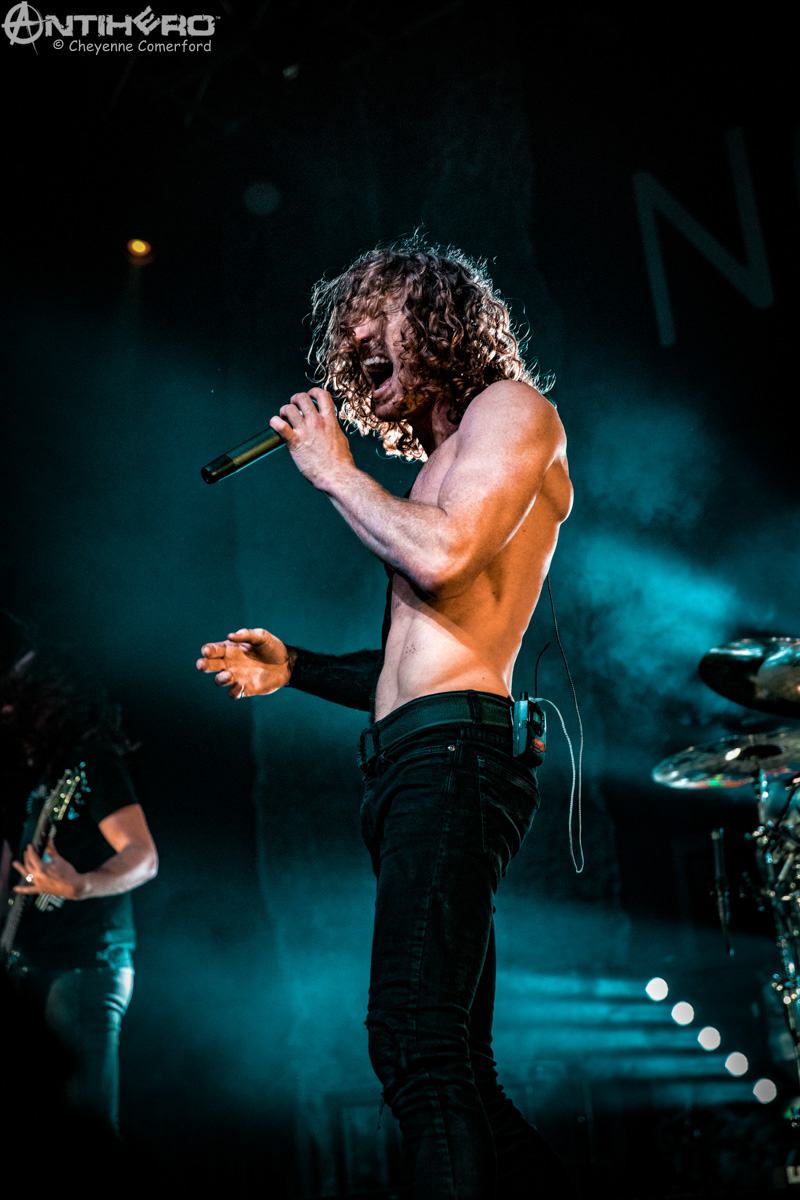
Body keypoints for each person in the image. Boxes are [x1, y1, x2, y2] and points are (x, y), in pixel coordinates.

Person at [197, 238, 576, 1198]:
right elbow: (415, 666)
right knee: (456, 1067)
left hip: (456, 758)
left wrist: (333, 472)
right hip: (420, 756)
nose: (358, 336)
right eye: (348, 328)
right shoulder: (442, 460)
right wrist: (297, 669)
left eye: (378, 312)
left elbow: (443, 559)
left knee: (414, 1043)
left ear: (441, 315)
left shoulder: (513, 410)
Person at [0, 613, 158, 1141]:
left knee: (87, 1130)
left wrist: (79, 885)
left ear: (50, 699)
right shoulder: (44, 780)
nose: (8, 707)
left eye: (19, 695)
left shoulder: (94, 761)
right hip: (42, 968)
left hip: (86, 966)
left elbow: (143, 856)